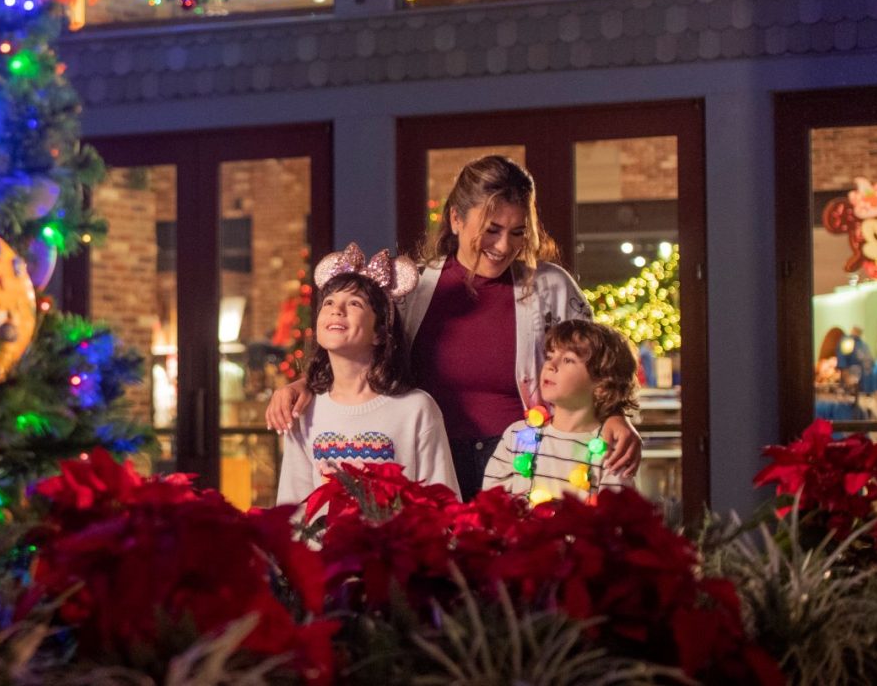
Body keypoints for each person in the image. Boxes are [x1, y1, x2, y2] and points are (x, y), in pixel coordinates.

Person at [268, 155, 641, 500]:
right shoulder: (412, 288)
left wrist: (617, 415)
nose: (503, 245)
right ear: (456, 219)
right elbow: (361, 352)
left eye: (517, 232)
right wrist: (304, 386)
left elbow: (597, 364)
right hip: (428, 457)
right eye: (492, 229)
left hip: (522, 461)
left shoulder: (550, 287)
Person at [275, 246, 457, 508]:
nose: (337, 310)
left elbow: (441, 503)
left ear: (380, 333)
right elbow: (293, 506)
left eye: (355, 303)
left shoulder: (416, 408)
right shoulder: (304, 410)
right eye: (329, 302)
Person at [483, 318, 636, 501]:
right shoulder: (517, 436)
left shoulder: (611, 451)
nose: (550, 365)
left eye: (568, 360)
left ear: (602, 383)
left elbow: (614, 517)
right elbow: (491, 505)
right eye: (549, 356)